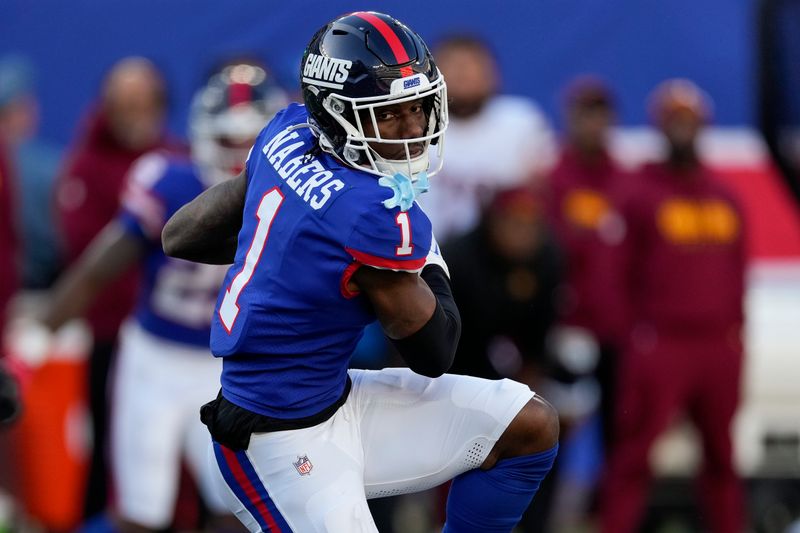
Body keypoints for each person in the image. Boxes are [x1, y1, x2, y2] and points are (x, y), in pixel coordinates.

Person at [162, 12, 559, 533]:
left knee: (528, 425)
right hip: (275, 441)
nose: (414, 128)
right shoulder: (368, 213)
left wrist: (294, 251)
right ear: (334, 114)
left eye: (418, 108)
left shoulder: (287, 130)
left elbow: (182, 235)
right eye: (388, 115)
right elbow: (435, 352)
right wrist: (427, 251)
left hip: (332, 399)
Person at [26, 61, 286, 532]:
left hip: (228, 365)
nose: (239, 154)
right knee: (143, 510)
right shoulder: (170, 182)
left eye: (251, 140)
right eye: (228, 139)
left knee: (238, 503)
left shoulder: (293, 195)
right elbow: (98, 266)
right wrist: (40, 334)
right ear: (202, 133)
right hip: (155, 360)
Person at [600, 79, 747, 533]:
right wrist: (633, 335)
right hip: (661, 341)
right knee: (635, 455)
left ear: (703, 124)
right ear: (660, 125)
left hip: (718, 344)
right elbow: (615, 273)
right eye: (673, 119)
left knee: (723, 457)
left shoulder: (724, 196)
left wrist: (737, 333)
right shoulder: (640, 192)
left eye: (689, 118)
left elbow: (737, 272)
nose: (682, 128)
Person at [53, 56, 176, 520]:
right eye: (125, 104)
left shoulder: (176, 164)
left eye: (144, 103)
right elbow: (88, 259)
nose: (135, 114)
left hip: (185, 340)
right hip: (114, 337)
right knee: (114, 454)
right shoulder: (87, 166)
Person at [546, 76, 629, 451]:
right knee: (557, 423)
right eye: (585, 114)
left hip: (618, 329)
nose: (593, 123)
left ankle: (605, 509)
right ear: (571, 117)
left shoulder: (627, 183)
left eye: (601, 114)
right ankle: (544, 509)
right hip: (570, 326)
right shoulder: (554, 181)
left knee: (620, 428)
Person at [418, 34, 557, 241]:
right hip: (424, 254)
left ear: (492, 74)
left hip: (501, 258)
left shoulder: (521, 122)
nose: (462, 73)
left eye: (471, 64)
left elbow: (548, 191)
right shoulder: (412, 125)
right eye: (453, 64)